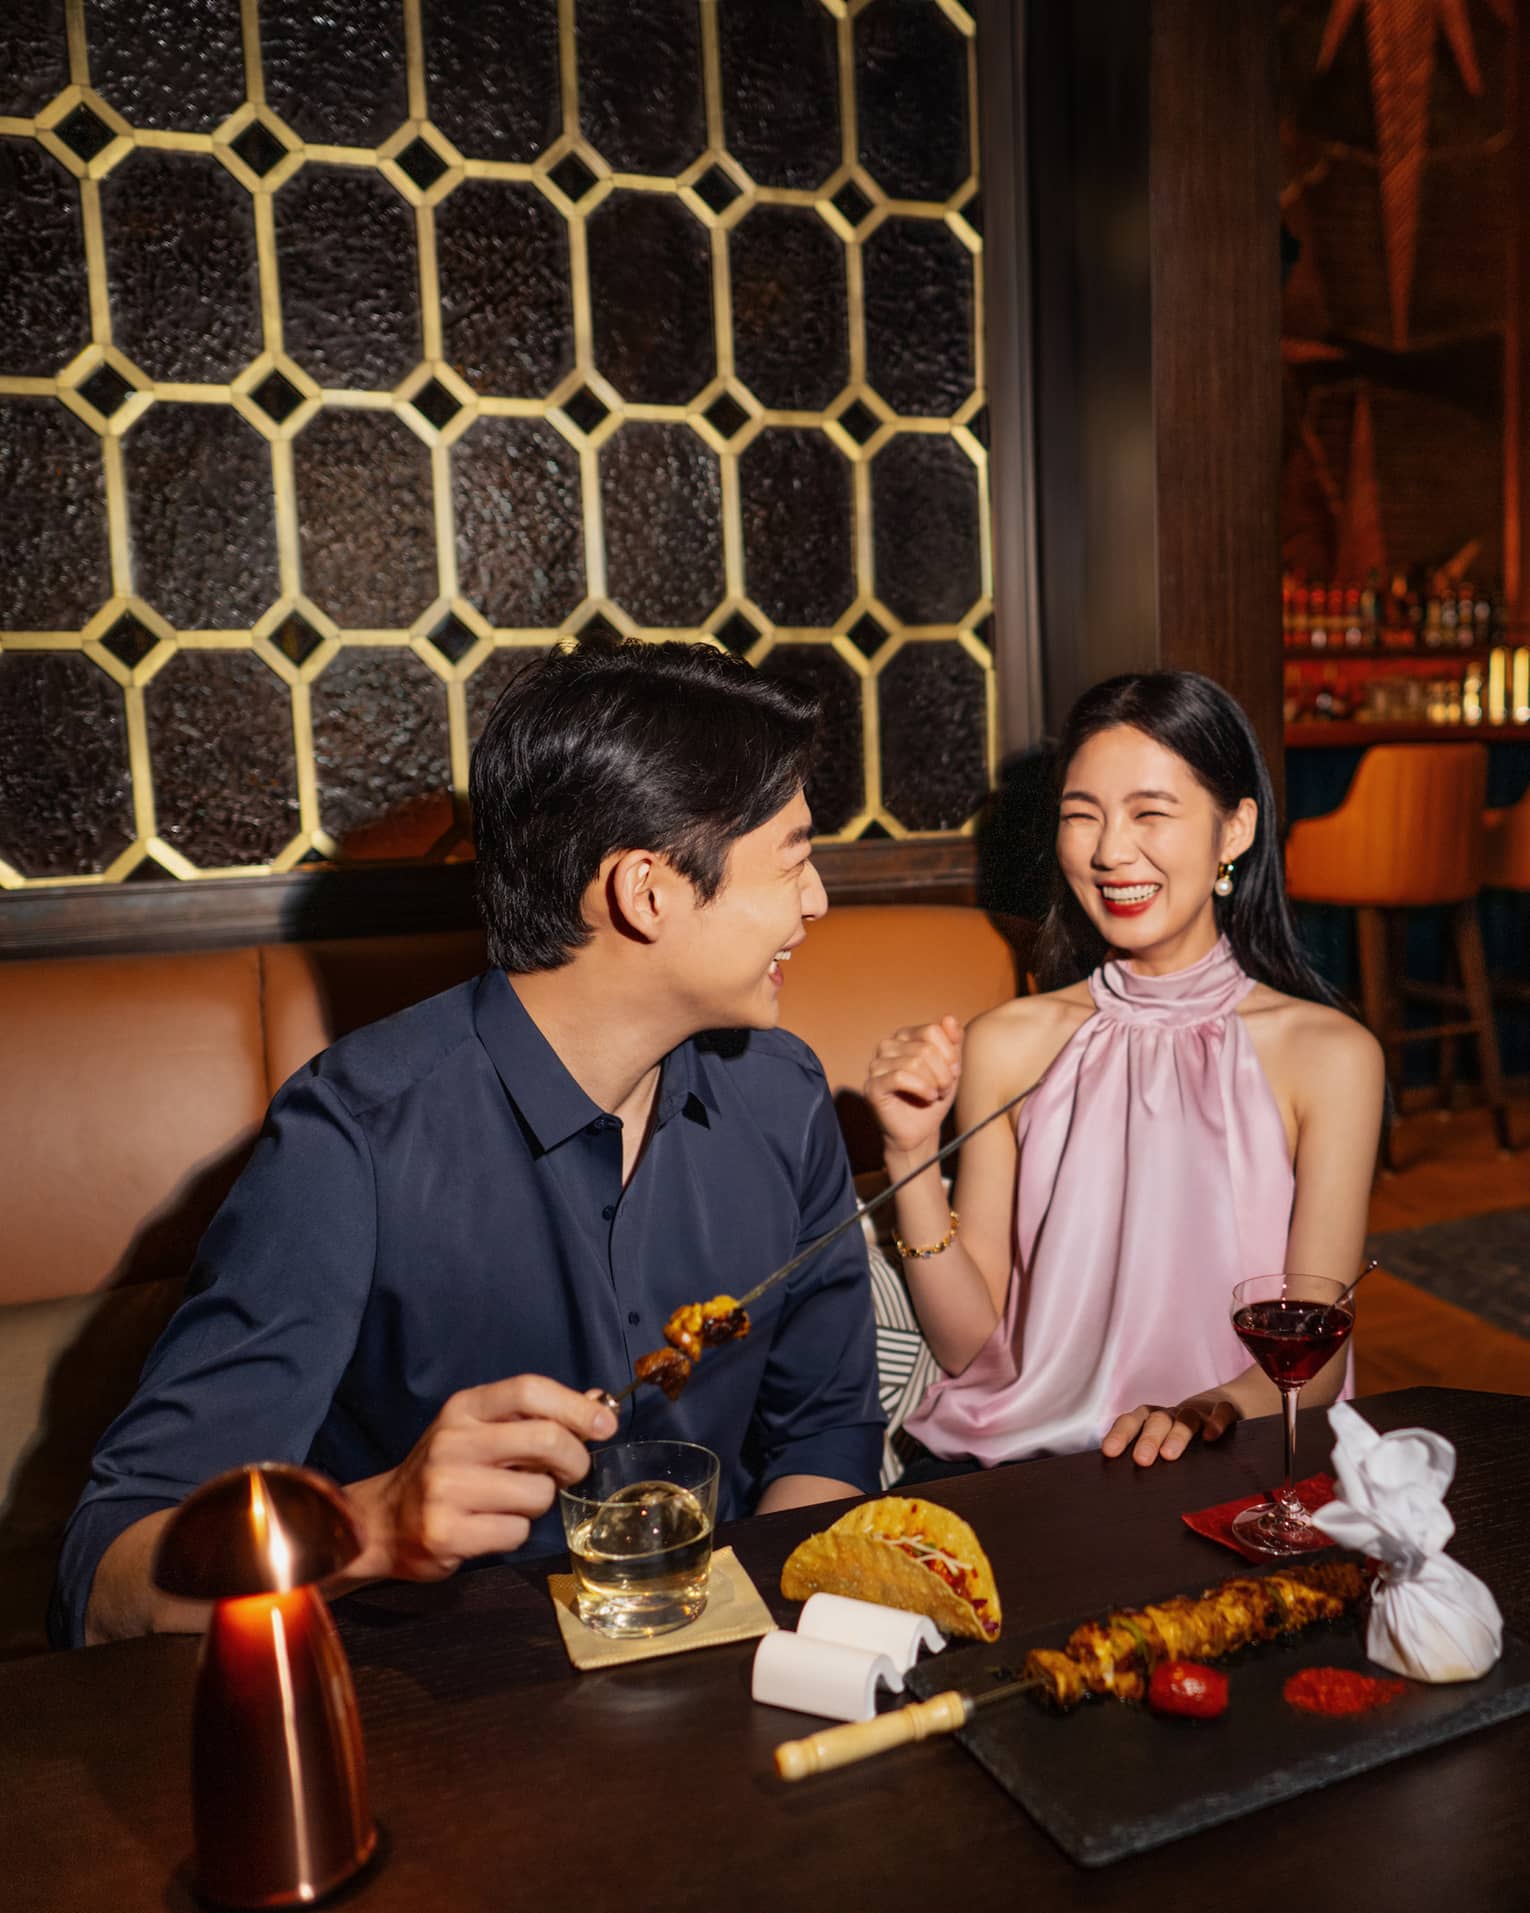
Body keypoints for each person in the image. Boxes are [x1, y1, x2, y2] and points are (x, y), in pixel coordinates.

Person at [53, 639, 883, 1648]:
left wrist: (769, 1654)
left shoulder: (780, 1090)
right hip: (442, 1721)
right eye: (793, 858)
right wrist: (370, 1525)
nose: (818, 901)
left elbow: (826, 1429)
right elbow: (105, 1572)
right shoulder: (352, 1137)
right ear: (646, 891)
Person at [864, 670, 1384, 1475]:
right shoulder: (1008, 1042)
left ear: (1234, 829)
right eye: (1083, 816)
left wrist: (1205, 1412)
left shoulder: (1330, 1056)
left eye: (1150, 813)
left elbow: (1310, 1357)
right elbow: (968, 1343)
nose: (1109, 850)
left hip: (1235, 1451)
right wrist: (909, 1157)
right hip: (1024, 1463)